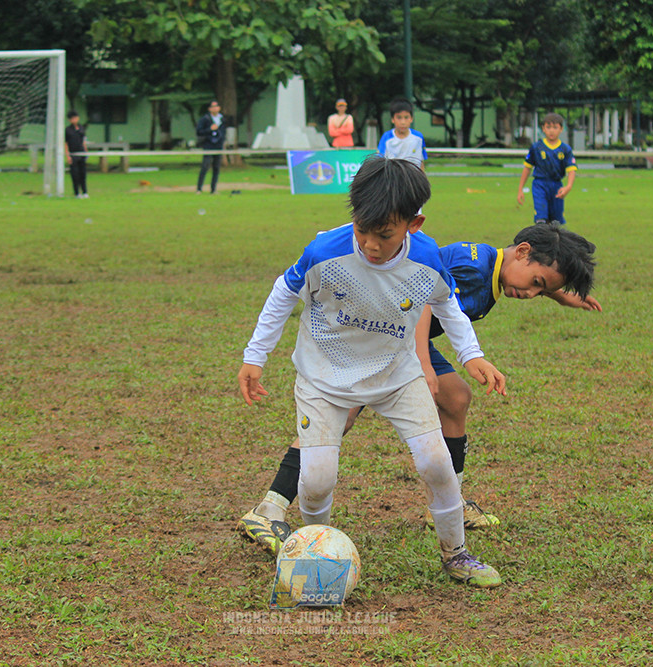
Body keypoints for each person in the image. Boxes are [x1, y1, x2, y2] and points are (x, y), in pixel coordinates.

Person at [238, 222, 599, 553]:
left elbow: (445, 300)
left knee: (456, 398)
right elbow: (424, 295)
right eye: (536, 282)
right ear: (522, 251)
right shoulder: (473, 265)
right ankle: (269, 508)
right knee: (340, 418)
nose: (532, 293)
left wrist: (559, 295)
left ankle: (446, 503)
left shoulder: (494, 266)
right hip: (383, 340)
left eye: (542, 290)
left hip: (405, 339)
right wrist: (423, 364)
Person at [237, 156, 507, 587]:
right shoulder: (325, 250)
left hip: (397, 376)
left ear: (413, 224)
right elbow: (282, 293)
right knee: (318, 477)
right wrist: (255, 356)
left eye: (384, 234)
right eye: (363, 230)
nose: (370, 245)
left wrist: (471, 354)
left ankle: (456, 554)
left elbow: (447, 304)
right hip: (324, 379)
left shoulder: (426, 255)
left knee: (437, 463)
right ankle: (314, 555)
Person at [517, 112, 577, 224]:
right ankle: (541, 239)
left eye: (555, 127)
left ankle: (553, 240)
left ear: (561, 129)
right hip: (540, 185)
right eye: (548, 127)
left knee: (555, 222)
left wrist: (568, 186)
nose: (551, 130)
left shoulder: (565, 149)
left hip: (556, 185)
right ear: (543, 129)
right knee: (541, 219)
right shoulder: (536, 147)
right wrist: (520, 188)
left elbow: (571, 169)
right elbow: (527, 168)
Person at [377, 99, 427, 170]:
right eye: (399, 118)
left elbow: (421, 162)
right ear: (392, 119)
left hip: (413, 178)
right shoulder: (387, 137)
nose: (403, 122)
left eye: (406, 117)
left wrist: (423, 180)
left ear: (411, 119)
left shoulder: (418, 137)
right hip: (393, 178)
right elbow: (380, 161)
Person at [196, 100, 227, 194]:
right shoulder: (205, 119)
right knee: (205, 166)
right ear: (209, 109)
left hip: (218, 145)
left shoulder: (222, 119)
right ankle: (199, 189)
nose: (215, 108)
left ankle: (213, 189)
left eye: (216, 106)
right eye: (213, 106)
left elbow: (223, 132)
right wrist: (209, 130)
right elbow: (199, 131)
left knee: (216, 168)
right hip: (208, 145)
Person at [64, 109, 88, 199]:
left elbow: (83, 141)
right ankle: (77, 193)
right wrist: (68, 155)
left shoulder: (81, 128)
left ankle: (85, 192)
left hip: (81, 153)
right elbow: (65, 143)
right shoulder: (68, 130)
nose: (74, 120)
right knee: (75, 174)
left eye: (76, 118)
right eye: (72, 118)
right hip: (73, 154)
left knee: (83, 174)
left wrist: (86, 151)